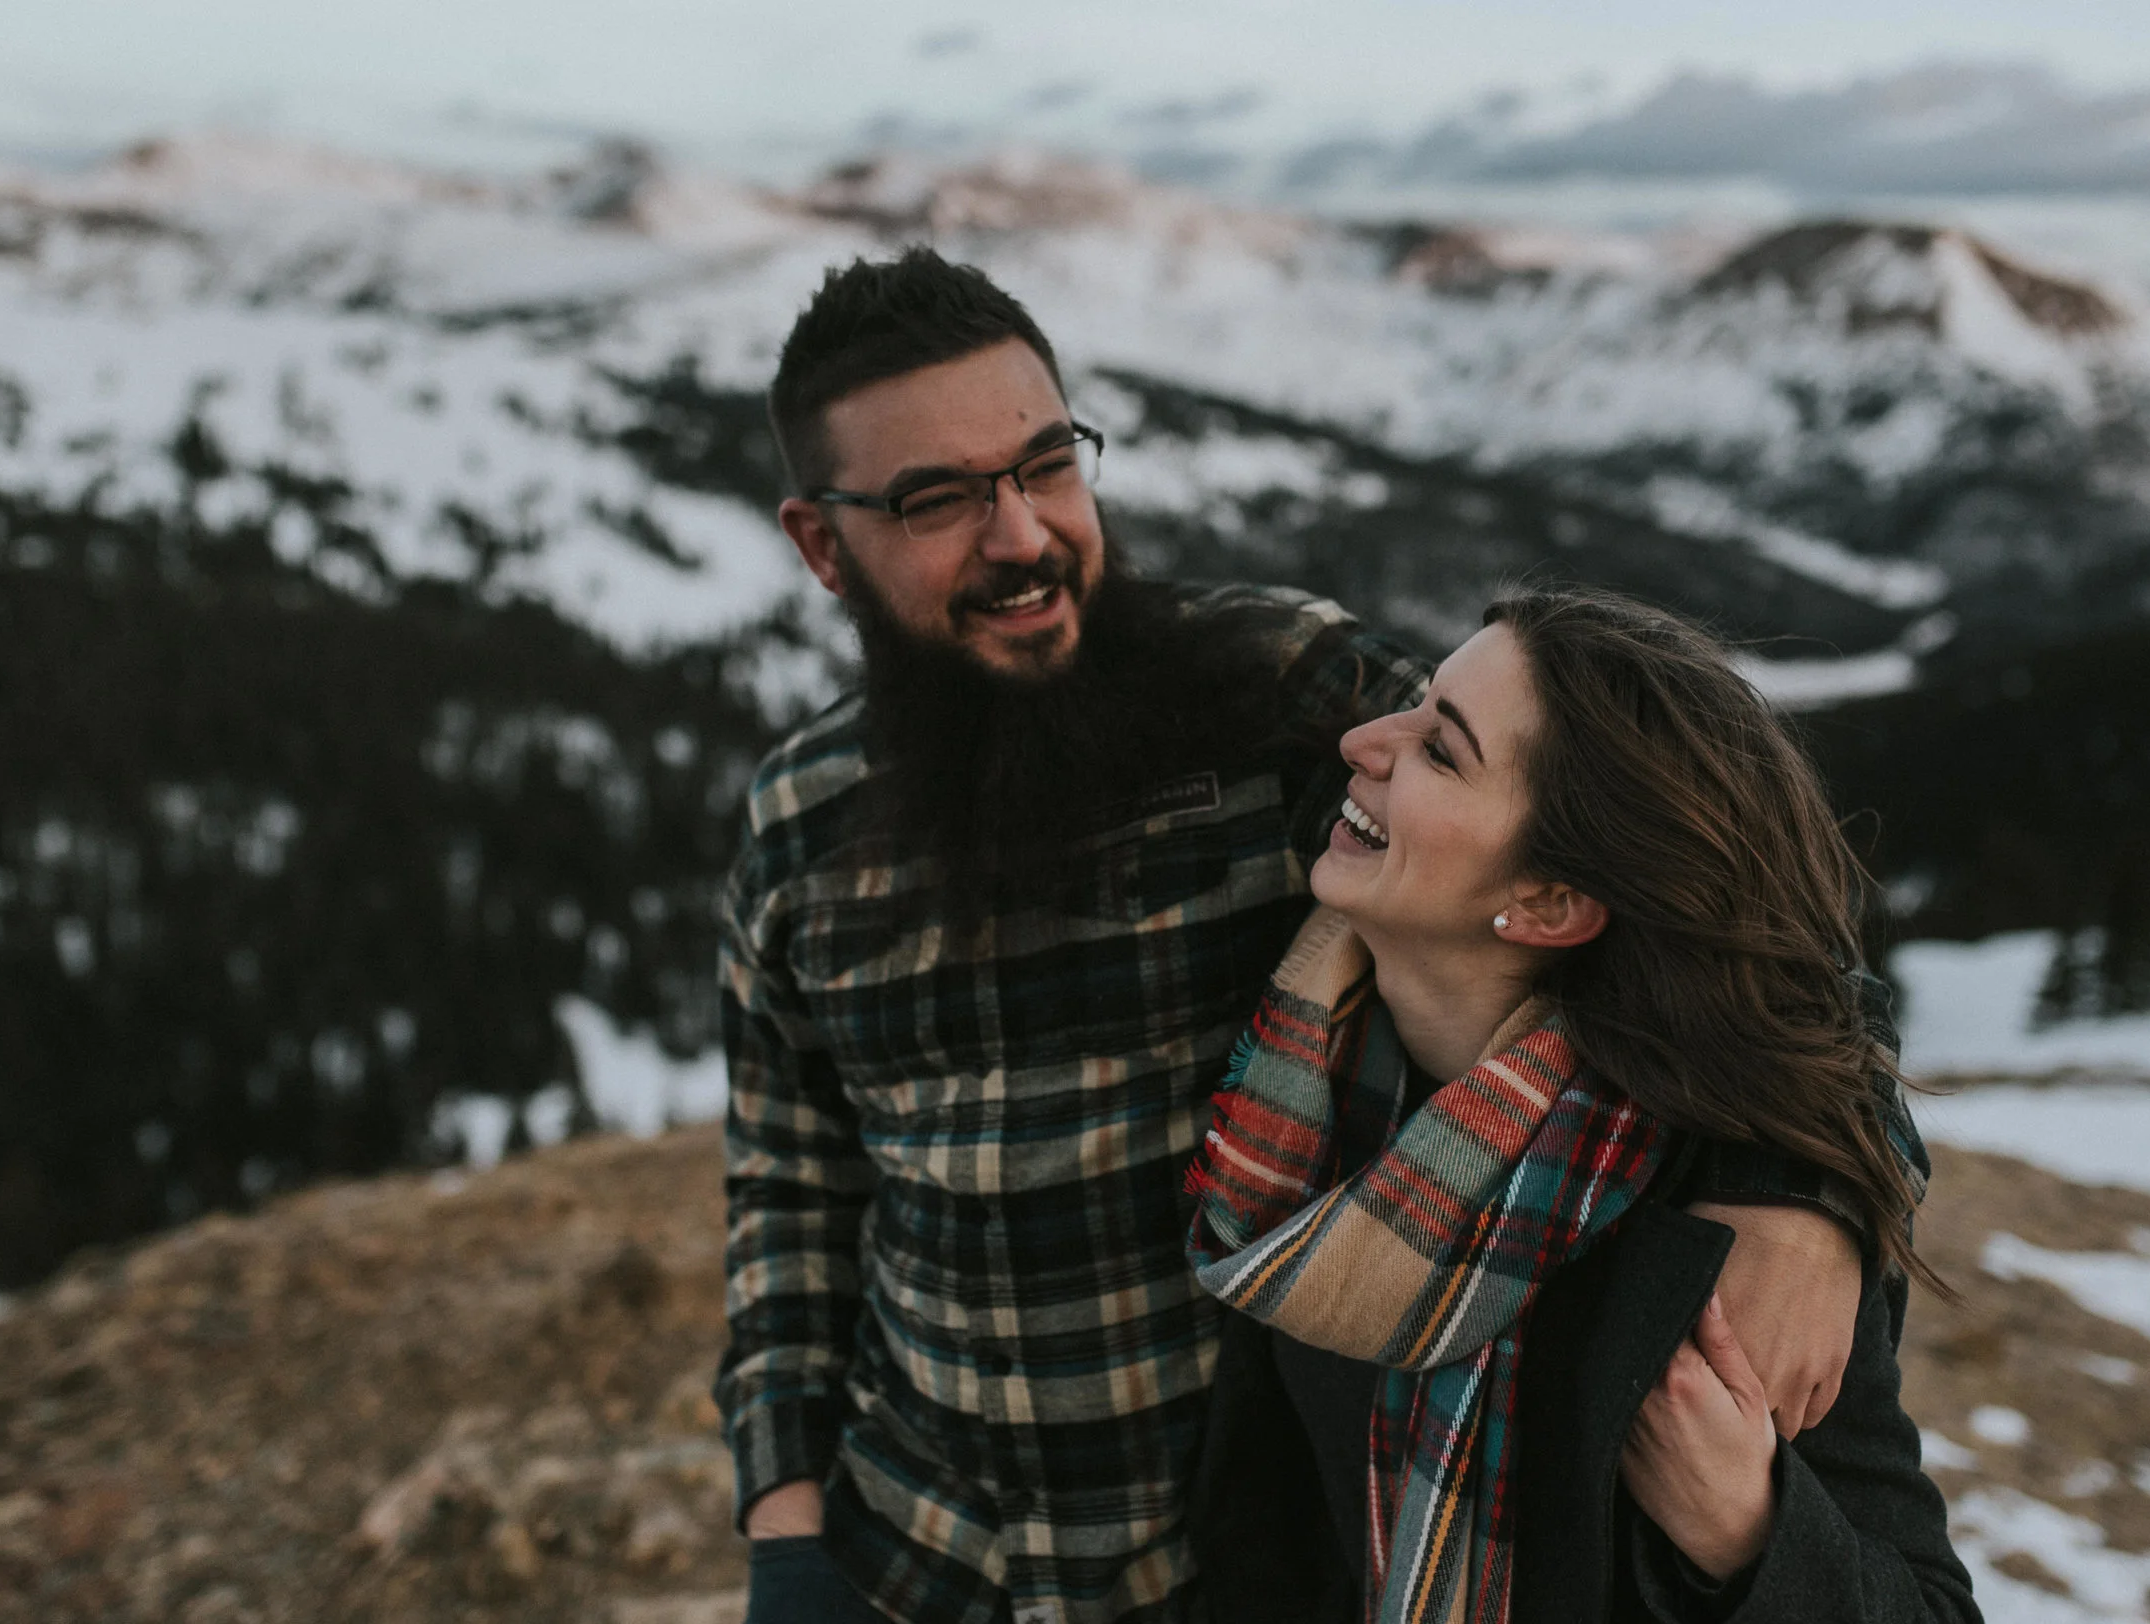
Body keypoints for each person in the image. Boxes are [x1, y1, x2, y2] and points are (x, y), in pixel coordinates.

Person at [716, 248, 1917, 1624]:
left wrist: (1806, 1190)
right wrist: (789, 1532)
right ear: (821, 543)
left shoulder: (1273, 700)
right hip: (914, 1563)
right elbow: (789, 1201)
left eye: (1048, 463)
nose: (1023, 536)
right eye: (938, 499)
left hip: (1227, 1568)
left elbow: (1674, 884)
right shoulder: (800, 833)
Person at [1184, 587, 1975, 1624]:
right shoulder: (1302, 1079)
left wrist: (1747, 1531)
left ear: (1550, 903)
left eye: (1441, 749)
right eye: (1418, 701)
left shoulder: (1716, 1216)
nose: (1364, 739)